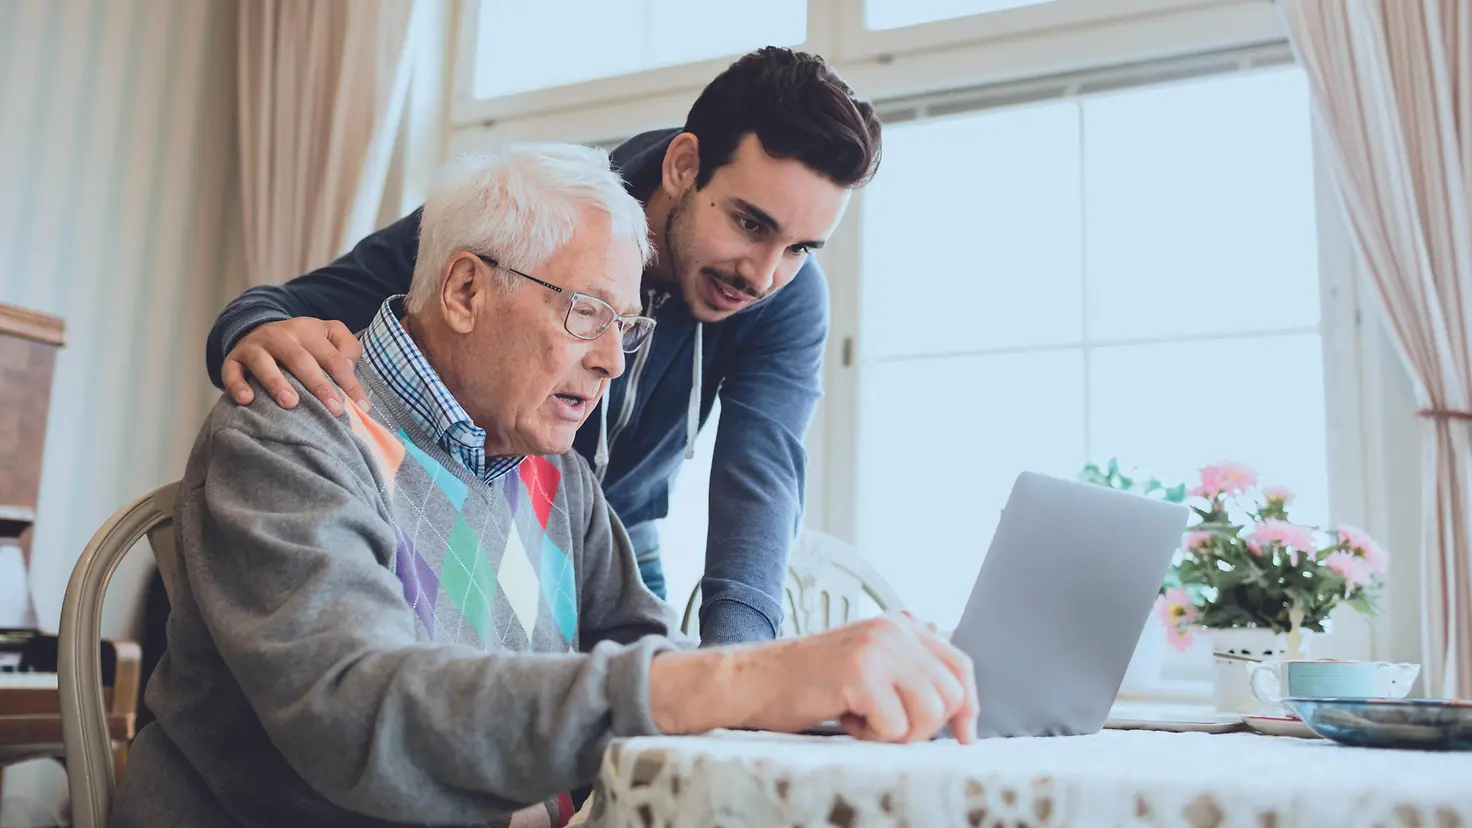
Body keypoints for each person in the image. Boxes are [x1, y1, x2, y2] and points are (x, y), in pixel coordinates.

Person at [114, 145, 976, 828]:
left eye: (627, 325)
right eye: (585, 313)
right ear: (462, 289)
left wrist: (797, 698)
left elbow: (647, 645)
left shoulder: (553, 473)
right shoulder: (290, 431)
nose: (610, 361)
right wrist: (739, 681)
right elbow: (362, 714)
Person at [203, 47, 882, 645]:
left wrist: (738, 664)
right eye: (749, 223)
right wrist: (254, 331)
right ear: (684, 166)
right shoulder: (547, 217)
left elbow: (761, 475)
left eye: (800, 248)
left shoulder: (785, 296)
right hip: (482, 509)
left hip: (614, 539)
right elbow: (292, 305)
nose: (764, 275)